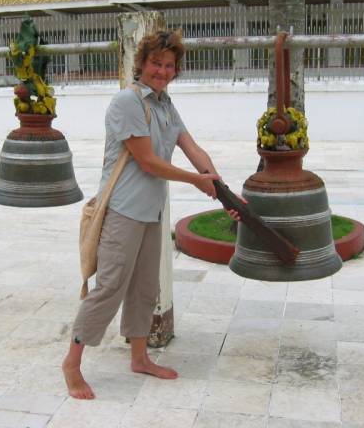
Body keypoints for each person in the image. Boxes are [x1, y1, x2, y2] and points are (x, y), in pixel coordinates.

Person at [62, 30, 238, 400]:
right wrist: (196, 181)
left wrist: (221, 188)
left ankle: (139, 358)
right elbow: (148, 161)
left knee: (145, 289)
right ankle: (72, 363)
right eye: (156, 63)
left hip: (151, 212)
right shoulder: (127, 102)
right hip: (123, 211)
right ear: (141, 64)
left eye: (169, 65)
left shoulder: (165, 105)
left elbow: (192, 148)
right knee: (110, 287)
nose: (162, 70)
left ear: (176, 71)